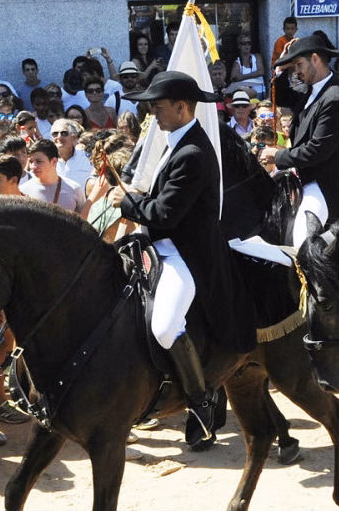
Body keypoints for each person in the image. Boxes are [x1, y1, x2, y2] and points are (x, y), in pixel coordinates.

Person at [109, 71, 254, 448]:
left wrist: (125, 202)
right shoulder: (176, 142)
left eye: (158, 107)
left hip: (185, 253)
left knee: (165, 325)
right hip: (159, 245)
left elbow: (165, 213)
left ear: (181, 107)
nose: (153, 113)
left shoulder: (191, 152)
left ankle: (201, 400)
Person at [258, 34, 339, 246]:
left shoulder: (335, 97)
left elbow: (317, 150)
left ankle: (313, 278)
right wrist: (281, 67)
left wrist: (278, 155)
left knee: (302, 238)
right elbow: (280, 97)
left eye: (299, 64)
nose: (297, 71)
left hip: (325, 183)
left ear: (316, 59)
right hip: (303, 176)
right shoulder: (310, 91)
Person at [20, 139, 84, 213]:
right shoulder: (24, 191)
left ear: (54, 161)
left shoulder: (74, 189)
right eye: (31, 162)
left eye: (38, 162)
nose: (33, 166)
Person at [230, 34, 266, 98]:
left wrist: (242, 77)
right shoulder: (237, 62)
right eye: (243, 43)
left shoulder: (257, 57)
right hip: (245, 95)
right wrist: (253, 75)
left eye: (249, 43)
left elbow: (261, 72)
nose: (247, 45)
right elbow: (233, 78)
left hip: (259, 92)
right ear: (239, 46)